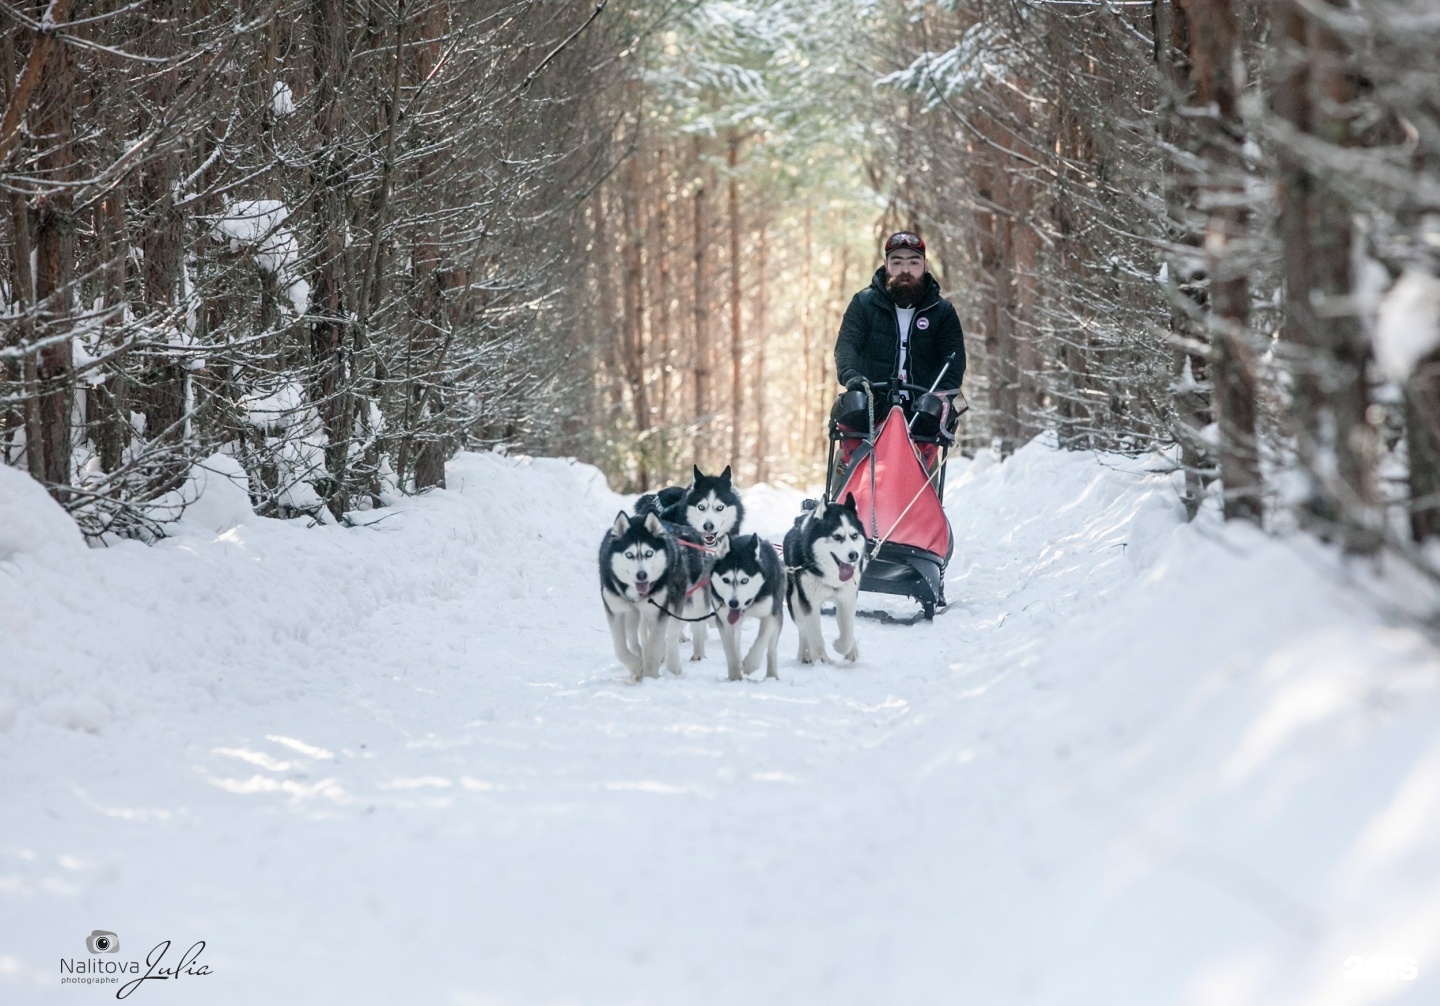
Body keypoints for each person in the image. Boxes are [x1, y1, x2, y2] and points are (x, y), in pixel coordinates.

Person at [831, 232, 967, 468]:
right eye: (897, 262)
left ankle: (922, 496)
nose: (905, 269)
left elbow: (954, 360)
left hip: (921, 412)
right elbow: (847, 346)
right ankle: (845, 494)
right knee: (851, 447)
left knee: (921, 467)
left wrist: (939, 395)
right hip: (872, 408)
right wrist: (852, 377)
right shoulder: (863, 304)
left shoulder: (942, 311)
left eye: (913, 262)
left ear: (924, 265)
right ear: (886, 265)